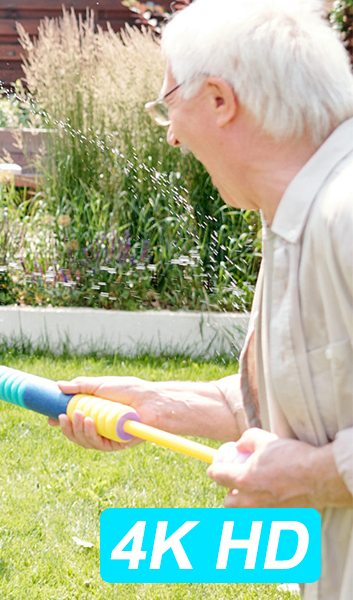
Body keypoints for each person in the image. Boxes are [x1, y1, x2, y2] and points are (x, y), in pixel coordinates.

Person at [49, 1, 353, 597]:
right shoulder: (292, 215)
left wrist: (319, 477)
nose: (170, 133)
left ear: (219, 99)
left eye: (170, 104)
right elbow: (291, 400)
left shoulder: (345, 212)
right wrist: (156, 404)